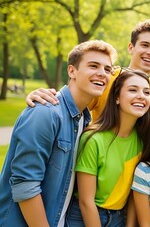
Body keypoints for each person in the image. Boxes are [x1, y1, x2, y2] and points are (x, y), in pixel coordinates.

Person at [0, 40, 117, 226]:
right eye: (93, 66)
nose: (102, 73)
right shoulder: (45, 113)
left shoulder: (84, 121)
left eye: (107, 69)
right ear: (72, 71)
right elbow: (25, 186)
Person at [26, 19, 150, 121]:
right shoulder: (106, 78)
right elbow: (71, 103)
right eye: (145, 45)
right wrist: (43, 97)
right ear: (131, 47)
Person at [65, 70, 150, 227]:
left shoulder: (143, 140)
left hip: (119, 217)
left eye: (146, 92)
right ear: (117, 98)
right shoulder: (94, 139)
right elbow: (86, 201)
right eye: (133, 90)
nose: (141, 96)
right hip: (85, 217)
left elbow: (135, 192)